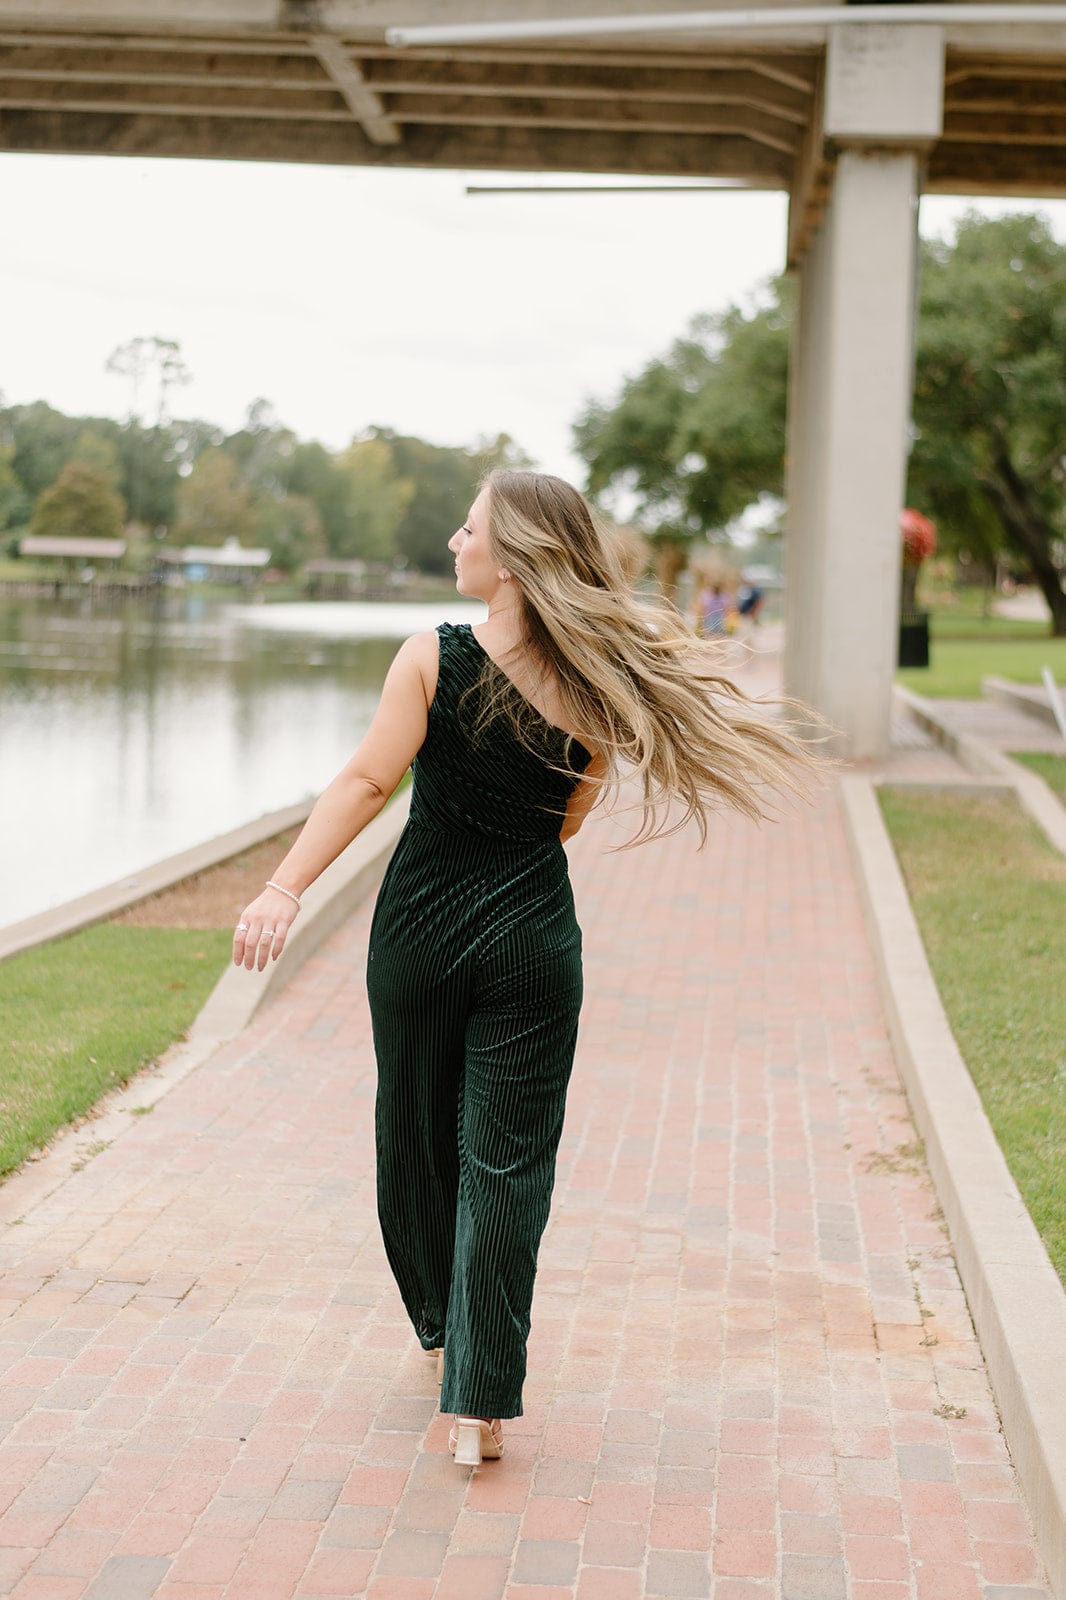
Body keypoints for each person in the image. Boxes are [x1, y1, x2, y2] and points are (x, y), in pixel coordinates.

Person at [232, 469, 819, 1469]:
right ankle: (481, 1407)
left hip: (418, 933)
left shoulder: (431, 655)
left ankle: (442, 1329)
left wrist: (282, 888)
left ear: (504, 555)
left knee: (415, 1139)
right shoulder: (600, 682)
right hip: (532, 940)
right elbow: (569, 818)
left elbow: (370, 778)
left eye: (465, 528)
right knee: (505, 1165)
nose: (454, 542)